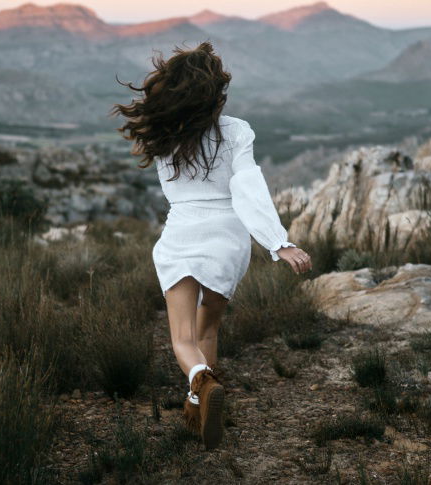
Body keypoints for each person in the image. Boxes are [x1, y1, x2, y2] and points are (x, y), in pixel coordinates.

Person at [112, 42, 313, 451]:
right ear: (214, 93)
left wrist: (278, 242)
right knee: (209, 327)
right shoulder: (237, 131)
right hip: (228, 238)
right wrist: (279, 242)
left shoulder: (161, 134)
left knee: (182, 339)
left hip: (181, 234)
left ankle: (202, 385)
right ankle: (199, 406)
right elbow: (247, 186)